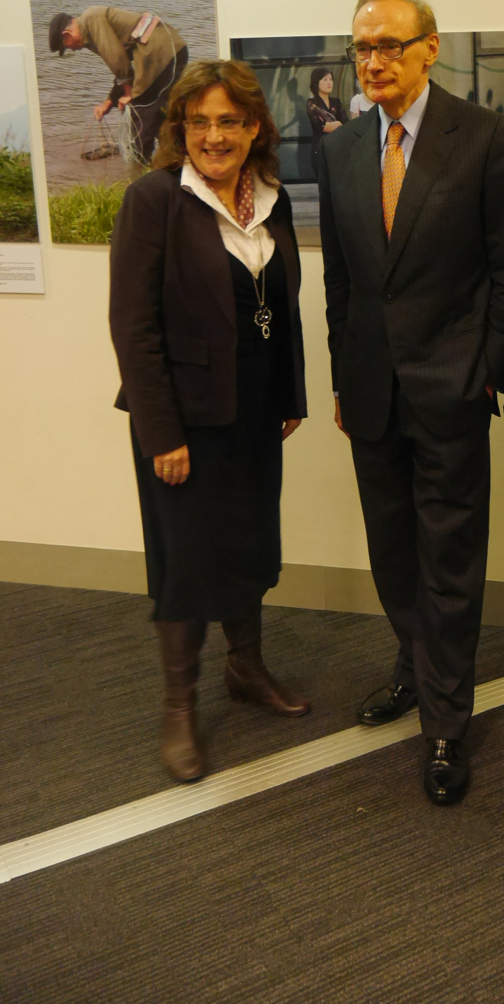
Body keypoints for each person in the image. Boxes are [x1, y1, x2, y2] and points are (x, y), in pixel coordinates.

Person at [318, 0, 504, 806]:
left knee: (449, 557)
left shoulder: (481, 138)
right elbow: (341, 284)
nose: (372, 61)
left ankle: (447, 720)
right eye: (361, 48)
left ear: (429, 47)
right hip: (372, 394)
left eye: (388, 45)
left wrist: (489, 372)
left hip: (451, 388)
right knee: (393, 549)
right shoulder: (340, 152)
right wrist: (344, 377)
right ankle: (414, 667)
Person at [109, 59, 310, 784]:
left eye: (230, 121)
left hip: (255, 412)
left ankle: (246, 670)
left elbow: (278, 305)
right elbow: (134, 329)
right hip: (183, 423)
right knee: (187, 560)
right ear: (181, 129)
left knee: (250, 544)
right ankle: (178, 706)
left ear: (254, 127)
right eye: (200, 122)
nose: (214, 136)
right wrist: (160, 433)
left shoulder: (273, 200)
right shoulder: (155, 201)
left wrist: (291, 393)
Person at [49, 7, 187, 163]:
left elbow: (118, 61)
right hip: (171, 50)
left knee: (140, 112)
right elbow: (123, 68)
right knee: (156, 112)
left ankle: (140, 167)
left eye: (67, 46)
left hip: (160, 53)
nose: (73, 49)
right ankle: (175, 157)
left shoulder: (91, 20)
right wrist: (109, 102)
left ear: (66, 35)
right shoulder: (90, 28)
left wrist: (129, 94)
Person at [305, 67, 346, 180]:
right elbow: (320, 127)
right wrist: (337, 123)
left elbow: (345, 123)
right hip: (320, 148)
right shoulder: (312, 103)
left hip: (337, 148)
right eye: (325, 79)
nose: (329, 83)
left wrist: (336, 124)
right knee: (324, 183)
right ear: (316, 82)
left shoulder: (336, 102)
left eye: (331, 79)